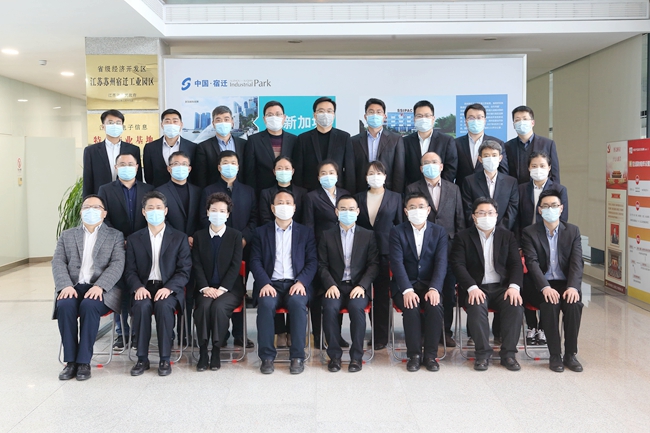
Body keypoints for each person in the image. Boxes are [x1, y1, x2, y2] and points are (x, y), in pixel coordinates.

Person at [52, 195, 125, 381]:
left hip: (101, 289)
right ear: (81, 212)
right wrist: (65, 285)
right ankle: (71, 362)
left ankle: (84, 361)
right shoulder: (67, 235)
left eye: (96, 207)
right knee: (65, 305)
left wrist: (100, 286)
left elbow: (117, 264)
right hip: (73, 287)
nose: (91, 210)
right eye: (87, 207)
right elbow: (58, 262)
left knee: (89, 305)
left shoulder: (115, 236)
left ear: (104, 213)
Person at [451, 197, 524, 371]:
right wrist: (472, 287)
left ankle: (509, 355)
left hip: (501, 287)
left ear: (497, 215)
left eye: (490, 213)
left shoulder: (507, 236)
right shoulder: (463, 237)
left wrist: (514, 287)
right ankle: (482, 354)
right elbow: (458, 265)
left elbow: (516, 264)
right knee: (476, 307)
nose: (486, 216)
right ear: (474, 216)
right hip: (476, 287)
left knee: (515, 306)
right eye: (481, 213)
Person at [124, 191, 192, 377]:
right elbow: (129, 270)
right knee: (141, 306)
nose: (155, 211)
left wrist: (169, 288)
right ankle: (142, 358)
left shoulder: (179, 237)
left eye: (159, 207)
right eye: (150, 208)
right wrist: (138, 287)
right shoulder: (134, 239)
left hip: (169, 288)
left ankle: (164, 358)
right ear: (143, 212)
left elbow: (184, 271)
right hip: (143, 287)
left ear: (166, 211)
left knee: (163, 306)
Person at [250, 190, 318, 374]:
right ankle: (266, 357)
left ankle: (297, 356)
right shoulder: (260, 232)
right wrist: (264, 283)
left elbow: (312, 261)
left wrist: (301, 282)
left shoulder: (305, 232)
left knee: (297, 304)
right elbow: (254, 260)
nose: (284, 206)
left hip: (295, 284)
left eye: (288, 203)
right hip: (270, 284)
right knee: (265, 304)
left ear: (294, 208)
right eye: (280, 203)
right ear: (273, 208)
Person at [405, 152, 465, 346]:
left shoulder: (453, 188)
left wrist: (458, 247)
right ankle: (424, 331)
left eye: (434, 162)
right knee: (424, 288)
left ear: (441, 166)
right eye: (426, 163)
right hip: (421, 249)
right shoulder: (412, 188)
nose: (430, 165)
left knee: (447, 291)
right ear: (421, 168)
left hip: (448, 248)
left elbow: (459, 219)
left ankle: (444, 331)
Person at [521, 190, 584, 373]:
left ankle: (570, 354)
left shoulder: (572, 231)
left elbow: (577, 262)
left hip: (565, 284)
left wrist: (573, 287)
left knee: (573, 304)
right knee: (550, 304)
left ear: (561, 208)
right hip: (539, 284)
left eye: (554, 205)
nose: (550, 209)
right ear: (540, 210)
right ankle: (555, 355)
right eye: (546, 206)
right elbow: (531, 263)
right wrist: (545, 287)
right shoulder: (530, 232)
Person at [200, 150, 256, 348]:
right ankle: (220, 335)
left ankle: (240, 334)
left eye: (233, 162)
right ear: (218, 167)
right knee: (217, 290)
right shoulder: (208, 191)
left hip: (242, 247)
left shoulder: (248, 191)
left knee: (237, 288)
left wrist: (242, 238)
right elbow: (203, 218)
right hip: (216, 248)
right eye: (225, 162)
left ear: (239, 167)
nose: (229, 166)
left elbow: (254, 219)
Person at [97, 152, 154, 349]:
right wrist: (119, 239)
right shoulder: (105, 190)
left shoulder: (148, 189)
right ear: (116, 167)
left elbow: (152, 215)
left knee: (139, 285)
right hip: (117, 245)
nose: (127, 167)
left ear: (137, 167)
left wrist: (138, 239)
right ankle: (122, 332)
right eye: (122, 164)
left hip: (142, 245)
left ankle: (138, 332)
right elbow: (104, 217)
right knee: (120, 289)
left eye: (130, 164)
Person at [319, 195, 379, 372]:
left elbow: (374, 265)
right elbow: (321, 265)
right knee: (329, 308)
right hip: (334, 286)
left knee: (356, 308)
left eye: (351, 209)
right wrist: (330, 284)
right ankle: (334, 356)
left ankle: (356, 357)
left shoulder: (368, 235)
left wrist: (362, 286)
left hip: (357, 287)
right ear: (336, 212)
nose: (347, 212)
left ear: (358, 212)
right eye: (343, 209)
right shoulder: (327, 235)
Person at [389, 193, 448, 372]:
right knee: (411, 306)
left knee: (435, 306)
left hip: (430, 285)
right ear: (406, 211)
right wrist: (407, 290)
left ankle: (430, 355)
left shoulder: (439, 232)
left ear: (428, 210)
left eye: (421, 207)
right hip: (405, 285)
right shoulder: (397, 231)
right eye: (412, 207)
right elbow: (397, 263)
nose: (417, 210)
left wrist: (435, 288)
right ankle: (414, 355)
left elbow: (441, 262)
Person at [192, 192, 244, 371]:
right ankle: (203, 351)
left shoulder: (235, 236)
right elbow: (196, 264)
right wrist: (205, 287)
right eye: (214, 210)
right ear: (207, 212)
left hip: (229, 289)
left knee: (219, 307)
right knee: (204, 307)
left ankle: (216, 350)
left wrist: (222, 289)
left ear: (228, 214)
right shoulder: (199, 236)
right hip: (205, 288)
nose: (218, 214)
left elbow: (235, 266)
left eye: (222, 211)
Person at [354, 161, 403, 350]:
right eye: (371, 173)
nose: (375, 176)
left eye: (379, 173)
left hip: (386, 251)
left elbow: (400, 227)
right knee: (364, 291)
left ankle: (381, 336)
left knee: (382, 295)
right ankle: (368, 330)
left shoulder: (395, 197)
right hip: (362, 252)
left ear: (385, 176)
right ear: (366, 177)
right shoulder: (358, 197)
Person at [155, 150, 202, 344]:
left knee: (190, 293)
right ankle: (170, 332)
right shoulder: (160, 192)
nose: (180, 167)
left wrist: (194, 237)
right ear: (169, 168)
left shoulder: (198, 191)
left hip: (194, 247)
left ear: (190, 169)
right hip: (170, 247)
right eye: (175, 164)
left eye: (184, 164)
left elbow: (202, 218)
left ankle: (186, 333)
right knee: (172, 289)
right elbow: (160, 220)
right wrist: (181, 238)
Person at [303, 160, 350, 346]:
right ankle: (318, 335)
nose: (328, 176)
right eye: (324, 173)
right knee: (318, 295)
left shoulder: (345, 194)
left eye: (331, 172)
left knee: (336, 292)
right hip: (319, 251)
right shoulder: (311, 197)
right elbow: (308, 226)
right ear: (318, 177)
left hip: (341, 251)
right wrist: (312, 251)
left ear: (337, 175)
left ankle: (335, 335)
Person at [293, 97, 356, 192]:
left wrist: (349, 194)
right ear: (314, 115)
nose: (325, 114)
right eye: (321, 111)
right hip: (310, 192)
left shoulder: (344, 137)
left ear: (334, 115)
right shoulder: (303, 139)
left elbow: (349, 169)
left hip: (337, 192)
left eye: (329, 111)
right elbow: (298, 171)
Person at [244, 100, 299, 197]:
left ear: (284, 118)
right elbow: (250, 172)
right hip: (262, 193)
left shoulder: (294, 140)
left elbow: (298, 169)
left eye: (278, 114)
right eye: (270, 115)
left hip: (289, 194)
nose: (274, 118)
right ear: (264, 119)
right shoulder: (254, 140)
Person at [82, 109, 142, 197]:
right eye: (110, 123)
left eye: (118, 123)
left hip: (127, 196)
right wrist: (87, 201)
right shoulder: (91, 151)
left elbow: (138, 177)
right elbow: (87, 180)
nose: (114, 125)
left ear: (122, 126)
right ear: (103, 126)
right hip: (101, 197)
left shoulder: (133, 149)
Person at [351, 98, 405, 193]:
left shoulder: (396, 139)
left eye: (378, 112)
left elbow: (399, 170)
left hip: (387, 191)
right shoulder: (354, 141)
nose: (375, 115)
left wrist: (396, 195)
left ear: (384, 117)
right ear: (365, 116)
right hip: (361, 191)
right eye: (371, 112)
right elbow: (351, 170)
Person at [461, 141, 518, 230]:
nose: (491, 159)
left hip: (503, 232)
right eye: (486, 156)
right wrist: (479, 228)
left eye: (494, 155)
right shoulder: (469, 181)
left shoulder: (511, 182)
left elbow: (512, 210)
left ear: (500, 158)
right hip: (476, 230)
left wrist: (499, 230)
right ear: (480, 159)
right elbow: (468, 209)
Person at [403, 100, 458, 186]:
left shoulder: (446, 140)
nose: (423, 119)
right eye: (419, 116)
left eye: (427, 116)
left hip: (440, 189)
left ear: (433, 119)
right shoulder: (405, 141)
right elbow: (402, 168)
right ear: (414, 119)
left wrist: (440, 187)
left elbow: (451, 168)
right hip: (412, 190)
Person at [504, 105, 560, 185]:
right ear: (514, 125)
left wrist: (555, 191)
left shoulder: (547, 144)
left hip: (543, 189)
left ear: (532, 122)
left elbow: (554, 173)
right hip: (517, 190)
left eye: (525, 119)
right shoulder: (507, 146)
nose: (521, 122)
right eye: (517, 120)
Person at [194, 106, 247, 189]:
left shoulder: (243, 144)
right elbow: (201, 176)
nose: (223, 123)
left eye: (226, 119)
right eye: (218, 120)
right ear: (213, 124)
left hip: (240, 190)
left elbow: (248, 170)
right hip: (214, 192)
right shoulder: (203, 147)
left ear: (232, 122)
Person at [455, 103, 508, 186]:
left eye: (479, 117)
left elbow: (503, 172)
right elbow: (452, 170)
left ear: (484, 121)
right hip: (463, 190)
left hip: (488, 189)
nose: (475, 121)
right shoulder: (456, 143)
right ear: (466, 122)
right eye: (471, 118)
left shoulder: (497, 143)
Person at [143, 109, 197, 188]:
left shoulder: (192, 147)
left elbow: (195, 173)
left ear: (181, 125)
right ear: (162, 125)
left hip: (185, 189)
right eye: (167, 121)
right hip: (158, 190)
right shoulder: (150, 147)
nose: (171, 124)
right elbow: (148, 175)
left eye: (175, 121)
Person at [259, 156, 308, 225]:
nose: (283, 171)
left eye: (287, 168)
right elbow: (265, 219)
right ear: (274, 171)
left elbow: (305, 218)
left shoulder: (302, 193)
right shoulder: (265, 194)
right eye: (279, 168)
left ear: (292, 171)